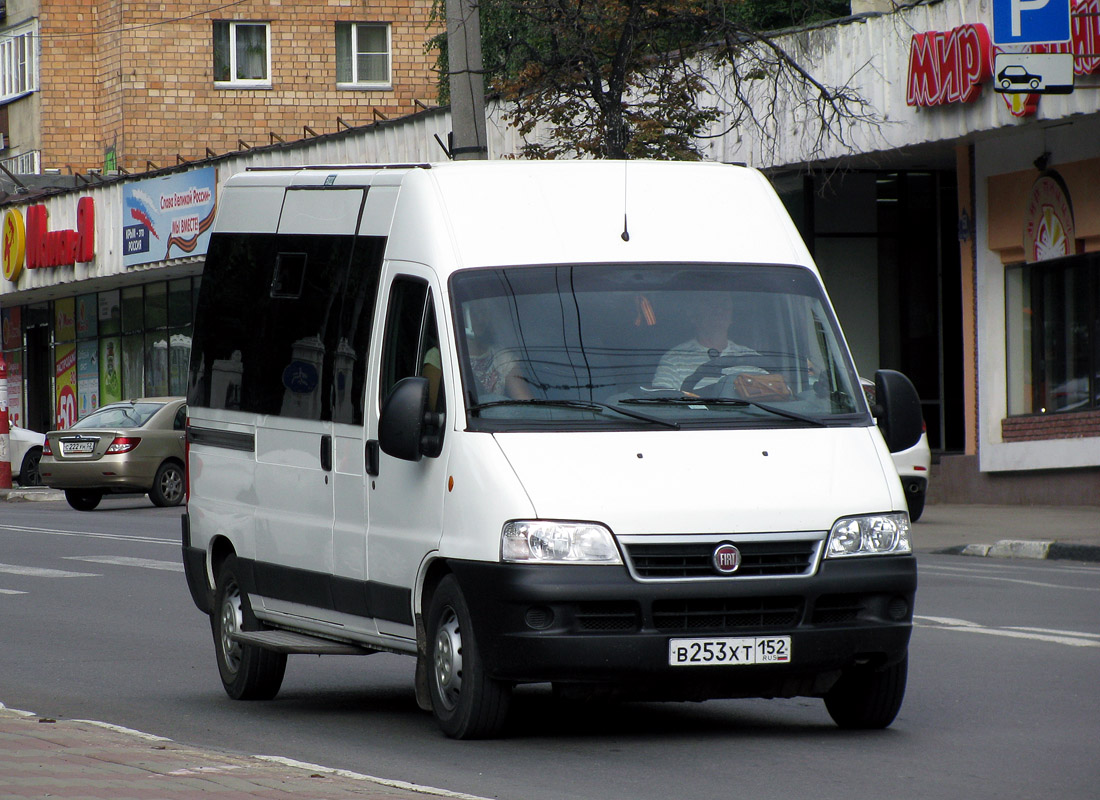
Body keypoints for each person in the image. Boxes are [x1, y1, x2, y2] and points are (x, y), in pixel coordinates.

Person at [652, 292, 758, 392]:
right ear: (693, 315)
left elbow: (772, 392)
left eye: (724, 304)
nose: (718, 310)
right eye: (710, 303)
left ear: (732, 315)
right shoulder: (674, 359)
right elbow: (662, 404)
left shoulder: (751, 358)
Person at [464, 302, 533, 400]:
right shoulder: (443, 356)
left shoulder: (502, 357)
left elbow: (525, 401)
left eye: (484, 312)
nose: (480, 319)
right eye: (474, 313)